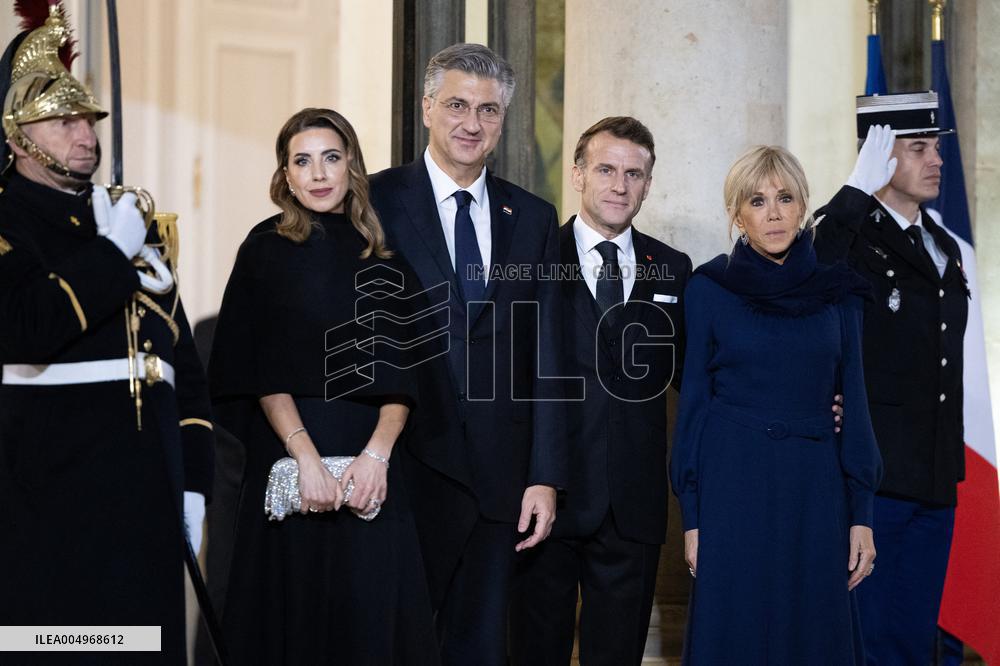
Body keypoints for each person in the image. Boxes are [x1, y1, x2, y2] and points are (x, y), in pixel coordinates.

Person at [0, 5, 213, 663]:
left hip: (144, 506)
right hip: (48, 507)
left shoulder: (128, 223)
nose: (85, 134)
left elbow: (180, 368)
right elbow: (28, 327)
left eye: (88, 120)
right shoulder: (11, 223)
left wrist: (194, 483)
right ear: (18, 138)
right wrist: (110, 253)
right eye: (63, 121)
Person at [208, 107, 438, 665]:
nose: (318, 174)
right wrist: (306, 460)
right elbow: (258, 369)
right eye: (302, 161)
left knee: (371, 630)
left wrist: (376, 457)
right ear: (285, 175)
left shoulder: (386, 257)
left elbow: (407, 377)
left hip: (373, 473)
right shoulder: (264, 249)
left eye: (331, 158)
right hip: (291, 462)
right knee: (293, 630)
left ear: (351, 164)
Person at [369, 43, 566, 665]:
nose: (471, 123)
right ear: (427, 108)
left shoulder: (533, 217)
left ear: (503, 120)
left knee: (480, 647)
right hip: (402, 464)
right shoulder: (372, 201)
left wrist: (544, 475)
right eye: (457, 105)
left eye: (488, 110)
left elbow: (548, 355)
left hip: (498, 475)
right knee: (394, 642)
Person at [669, 145, 882, 664]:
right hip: (731, 489)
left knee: (814, 633)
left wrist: (862, 514)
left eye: (785, 198)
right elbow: (694, 405)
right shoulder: (708, 288)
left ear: (804, 205)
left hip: (816, 489)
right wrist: (693, 519)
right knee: (735, 633)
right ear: (736, 214)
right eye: (757, 201)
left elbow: (856, 403)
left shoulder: (839, 291)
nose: (773, 213)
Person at [509, 116, 691, 666]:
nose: (620, 185)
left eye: (634, 174)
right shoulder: (536, 260)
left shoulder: (673, 268)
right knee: (535, 652)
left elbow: (699, 375)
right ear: (578, 175)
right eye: (606, 169)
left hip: (633, 506)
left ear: (648, 184)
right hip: (548, 495)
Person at [813, 92, 968, 665]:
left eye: (936, 148)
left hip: (935, 471)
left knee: (914, 634)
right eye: (919, 148)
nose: (937, 160)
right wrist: (854, 193)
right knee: (870, 638)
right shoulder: (853, 239)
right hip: (876, 474)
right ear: (879, 155)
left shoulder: (942, 244)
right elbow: (810, 272)